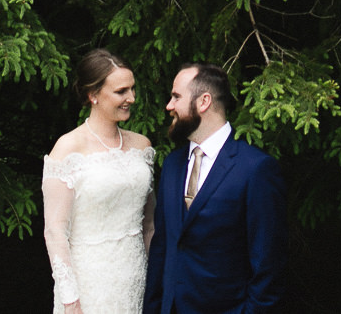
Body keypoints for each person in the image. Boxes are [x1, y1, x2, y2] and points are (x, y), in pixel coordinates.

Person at [143, 62, 284, 314]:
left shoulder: (255, 169)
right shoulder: (174, 165)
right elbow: (163, 247)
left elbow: (268, 265)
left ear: (203, 101)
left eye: (176, 97)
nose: (169, 106)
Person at [44, 49, 156, 314]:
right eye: (121, 91)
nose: (131, 98)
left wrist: (158, 278)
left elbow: (149, 223)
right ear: (93, 95)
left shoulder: (142, 146)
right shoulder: (68, 148)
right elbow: (55, 231)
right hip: (90, 283)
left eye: (132, 89)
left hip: (136, 276)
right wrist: (71, 299)